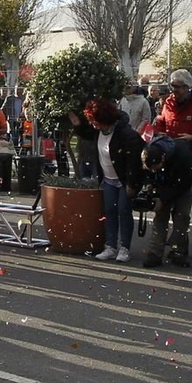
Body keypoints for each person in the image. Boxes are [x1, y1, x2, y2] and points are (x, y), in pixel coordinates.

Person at [73, 99, 144, 263]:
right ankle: (111, 247)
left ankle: (124, 248)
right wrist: (77, 123)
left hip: (124, 180)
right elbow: (86, 132)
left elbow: (134, 161)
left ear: (104, 120)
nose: (94, 125)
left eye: (96, 122)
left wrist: (132, 184)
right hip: (109, 179)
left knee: (123, 211)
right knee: (109, 212)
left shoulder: (125, 134)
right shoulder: (98, 131)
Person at [159, 70, 192, 261]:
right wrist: (157, 132)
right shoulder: (168, 103)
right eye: (172, 86)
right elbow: (163, 123)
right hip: (173, 161)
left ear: (188, 87)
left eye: (179, 87)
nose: (174, 91)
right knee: (176, 205)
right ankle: (177, 247)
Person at [139, 134, 192, 269]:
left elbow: (184, 183)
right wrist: (149, 184)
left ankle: (178, 251)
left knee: (181, 216)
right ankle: (155, 253)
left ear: (163, 159)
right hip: (165, 182)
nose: (154, 170)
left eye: (156, 167)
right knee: (160, 217)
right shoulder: (148, 154)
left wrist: (163, 199)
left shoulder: (182, 156)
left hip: (185, 183)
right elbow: (147, 173)